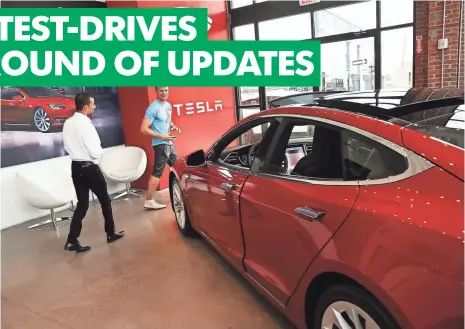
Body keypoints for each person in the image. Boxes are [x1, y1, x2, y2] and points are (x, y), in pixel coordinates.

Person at [62, 92, 125, 253]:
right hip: (90, 167)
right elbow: (94, 149)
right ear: (85, 107)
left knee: (82, 205)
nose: (94, 107)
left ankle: (71, 241)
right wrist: (96, 157)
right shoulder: (86, 124)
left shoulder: (68, 123)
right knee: (105, 200)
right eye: (92, 104)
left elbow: (67, 146)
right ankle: (111, 233)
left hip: (76, 167)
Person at [140, 86, 182, 210]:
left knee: (178, 166)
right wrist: (161, 136)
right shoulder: (153, 108)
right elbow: (143, 129)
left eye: (166, 90)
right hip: (161, 144)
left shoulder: (168, 105)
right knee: (157, 172)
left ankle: (182, 193)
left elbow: (167, 121)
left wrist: (174, 127)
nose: (164, 93)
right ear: (156, 92)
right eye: (161, 91)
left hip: (169, 143)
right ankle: (149, 200)